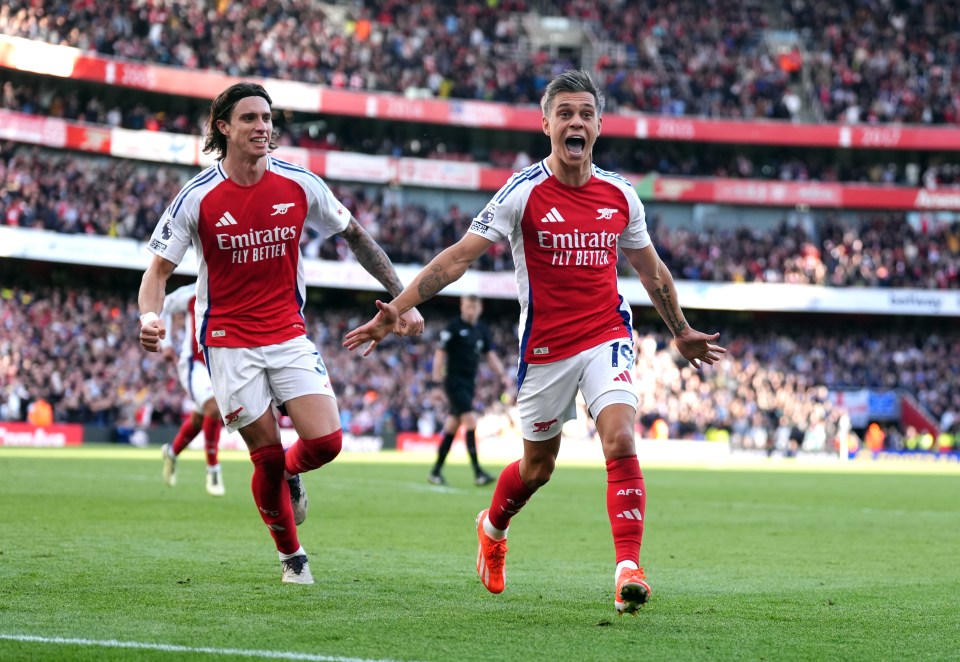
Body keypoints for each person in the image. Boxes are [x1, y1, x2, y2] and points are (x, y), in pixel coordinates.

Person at [344, 69, 725, 614]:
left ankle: (628, 568)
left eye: (585, 113)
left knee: (619, 438)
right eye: (564, 112)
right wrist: (397, 310)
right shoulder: (521, 193)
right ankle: (492, 527)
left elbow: (653, 272)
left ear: (598, 124)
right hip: (545, 348)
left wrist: (680, 330)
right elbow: (457, 258)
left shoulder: (620, 195)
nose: (575, 121)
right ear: (546, 123)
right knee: (537, 469)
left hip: (606, 335)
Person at [138, 82, 423, 585]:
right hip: (227, 343)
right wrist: (149, 318)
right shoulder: (196, 197)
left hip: (288, 333)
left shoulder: (299, 183)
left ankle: (291, 474)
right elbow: (158, 271)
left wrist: (402, 299)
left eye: (267, 118)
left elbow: (355, 235)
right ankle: (293, 558)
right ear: (223, 128)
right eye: (249, 118)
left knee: (328, 442)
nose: (263, 127)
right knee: (264, 458)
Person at [427, 295, 511, 487]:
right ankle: (478, 472)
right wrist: (436, 383)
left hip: (469, 383)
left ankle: (435, 472)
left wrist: (503, 375)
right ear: (462, 307)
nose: (469, 310)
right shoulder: (453, 328)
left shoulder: (481, 330)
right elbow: (440, 354)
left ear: (479, 308)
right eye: (466, 306)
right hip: (454, 382)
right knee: (470, 421)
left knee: (451, 426)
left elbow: (490, 356)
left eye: (473, 307)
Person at [157, 281, 225, 497]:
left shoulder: (236, 288)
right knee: (214, 408)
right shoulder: (190, 292)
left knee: (200, 418)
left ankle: (172, 452)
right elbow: (164, 306)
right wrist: (166, 345)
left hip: (222, 365)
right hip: (195, 363)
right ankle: (213, 470)